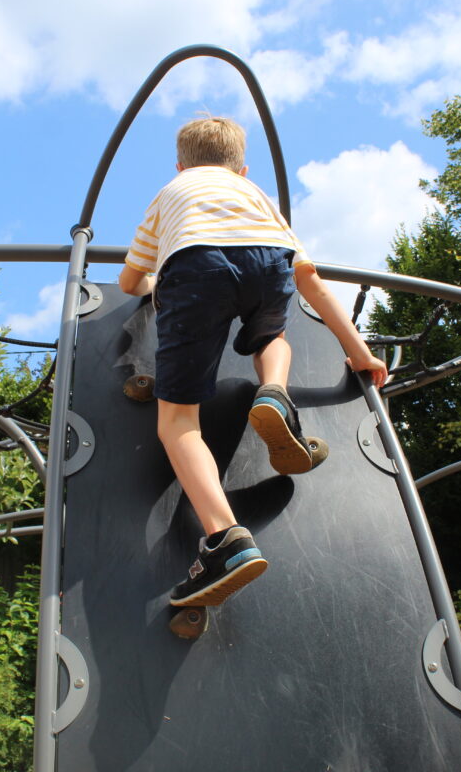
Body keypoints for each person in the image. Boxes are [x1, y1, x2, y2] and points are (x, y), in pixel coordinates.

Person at [118, 115, 389, 610]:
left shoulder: (171, 193)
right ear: (242, 169)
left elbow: (129, 281)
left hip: (195, 268)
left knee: (179, 423)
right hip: (267, 259)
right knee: (272, 334)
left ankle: (225, 540)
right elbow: (311, 281)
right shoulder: (259, 199)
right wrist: (359, 351)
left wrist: (155, 284)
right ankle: (274, 392)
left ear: (180, 165)